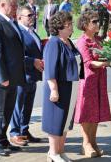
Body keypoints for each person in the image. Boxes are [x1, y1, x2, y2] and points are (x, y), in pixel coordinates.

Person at [0, 0, 25, 157]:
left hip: (12, 77)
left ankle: (3, 140)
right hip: (1, 79)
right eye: (13, 5)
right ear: (2, 5)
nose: (16, 8)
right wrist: (3, 77)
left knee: (8, 110)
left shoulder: (10, 22)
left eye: (16, 5)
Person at [42, 11, 82, 162]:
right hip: (59, 88)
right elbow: (50, 69)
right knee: (55, 120)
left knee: (65, 121)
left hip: (71, 86)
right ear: (59, 27)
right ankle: (53, 153)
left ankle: (60, 151)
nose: (72, 27)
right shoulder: (54, 43)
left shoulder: (68, 41)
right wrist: (54, 89)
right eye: (69, 24)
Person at [74, 10, 111, 158]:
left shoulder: (98, 40)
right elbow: (88, 63)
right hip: (88, 81)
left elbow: (104, 56)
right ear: (85, 24)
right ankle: (86, 143)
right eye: (94, 22)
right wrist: (106, 63)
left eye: (98, 21)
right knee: (87, 112)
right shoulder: (83, 41)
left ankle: (94, 142)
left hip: (100, 80)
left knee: (96, 111)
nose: (98, 24)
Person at [9, 6, 43, 147]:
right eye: (29, 15)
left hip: (33, 76)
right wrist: (32, 61)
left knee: (28, 106)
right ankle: (15, 133)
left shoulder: (32, 32)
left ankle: (24, 130)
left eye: (33, 14)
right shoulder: (18, 33)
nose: (32, 17)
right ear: (19, 17)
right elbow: (15, 56)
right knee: (18, 106)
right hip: (22, 75)